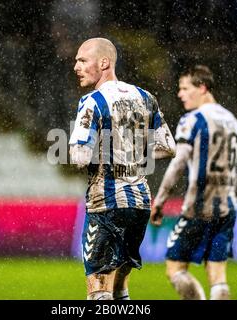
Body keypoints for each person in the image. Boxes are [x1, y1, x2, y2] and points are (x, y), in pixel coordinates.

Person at [69, 37, 176, 300]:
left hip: (106, 203)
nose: (76, 67)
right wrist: (130, 151)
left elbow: (79, 156)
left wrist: (106, 150)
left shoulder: (92, 101)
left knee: (99, 292)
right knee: (120, 290)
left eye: (82, 60)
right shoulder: (145, 97)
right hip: (139, 203)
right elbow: (169, 146)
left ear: (104, 62)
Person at [150, 65, 237, 300]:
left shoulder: (192, 120)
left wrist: (160, 201)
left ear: (202, 87)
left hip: (198, 208)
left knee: (175, 269)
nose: (180, 94)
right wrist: (236, 199)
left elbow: (178, 163)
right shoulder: (232, 120)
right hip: (228, 207)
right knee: (218, 275)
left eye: (185, 88)